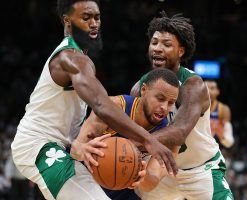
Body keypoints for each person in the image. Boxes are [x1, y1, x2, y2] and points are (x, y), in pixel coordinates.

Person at [10, 1, 177, 199]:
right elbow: (101, 104)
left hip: (61, 147)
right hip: (38, 144)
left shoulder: (81, 57)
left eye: (97, 17)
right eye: (86, 17)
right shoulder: (70, 58)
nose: (94, 23)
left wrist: (76, 146)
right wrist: (148, 140)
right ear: (67, 21)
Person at [131, 12, 234, 200]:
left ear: (181, 51)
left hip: (200, 170)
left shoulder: (193, 85)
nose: (158, 48)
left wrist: (136, 141)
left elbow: (178, 132)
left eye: (166, 44)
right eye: (154, 43)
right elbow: (131, 127)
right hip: (160, 171)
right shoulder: (140, 88)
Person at [73, 68, 180, 200]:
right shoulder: (113, 108)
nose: (164, 107)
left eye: (171, 103)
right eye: (160, 98)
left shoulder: (168, 136)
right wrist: (82, 150)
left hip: (123, 190)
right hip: (86, 182)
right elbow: (75, 150)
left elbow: (149, 184)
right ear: (144, 90)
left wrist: (141, 176)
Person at [205, 80, 234, 148]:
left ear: (218, 91)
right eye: (205, 88)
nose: (209, 91)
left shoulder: (223, 109)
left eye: (212, 88)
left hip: (216, 149)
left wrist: (221, 135)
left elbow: (229, 142)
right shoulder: (195, 107)